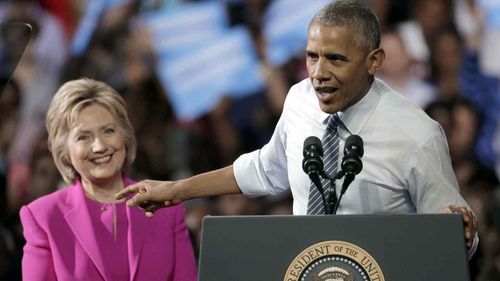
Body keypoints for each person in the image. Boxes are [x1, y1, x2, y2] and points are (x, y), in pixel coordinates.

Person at [117, 0, 478, 256]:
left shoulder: (417, 134)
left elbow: (452, 229)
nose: (319, 73)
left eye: (336, 59)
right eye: (312, 56)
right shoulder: (300, 98)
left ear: (373, 61)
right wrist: (177, 190)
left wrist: (462, 231)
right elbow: (265, 168)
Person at [19, 78, 197, 280]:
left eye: (108, 131)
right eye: (83, 137)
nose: (99, 146)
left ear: (125, 136)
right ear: (65, 151)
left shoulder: (167, 209)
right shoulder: (43, 217)